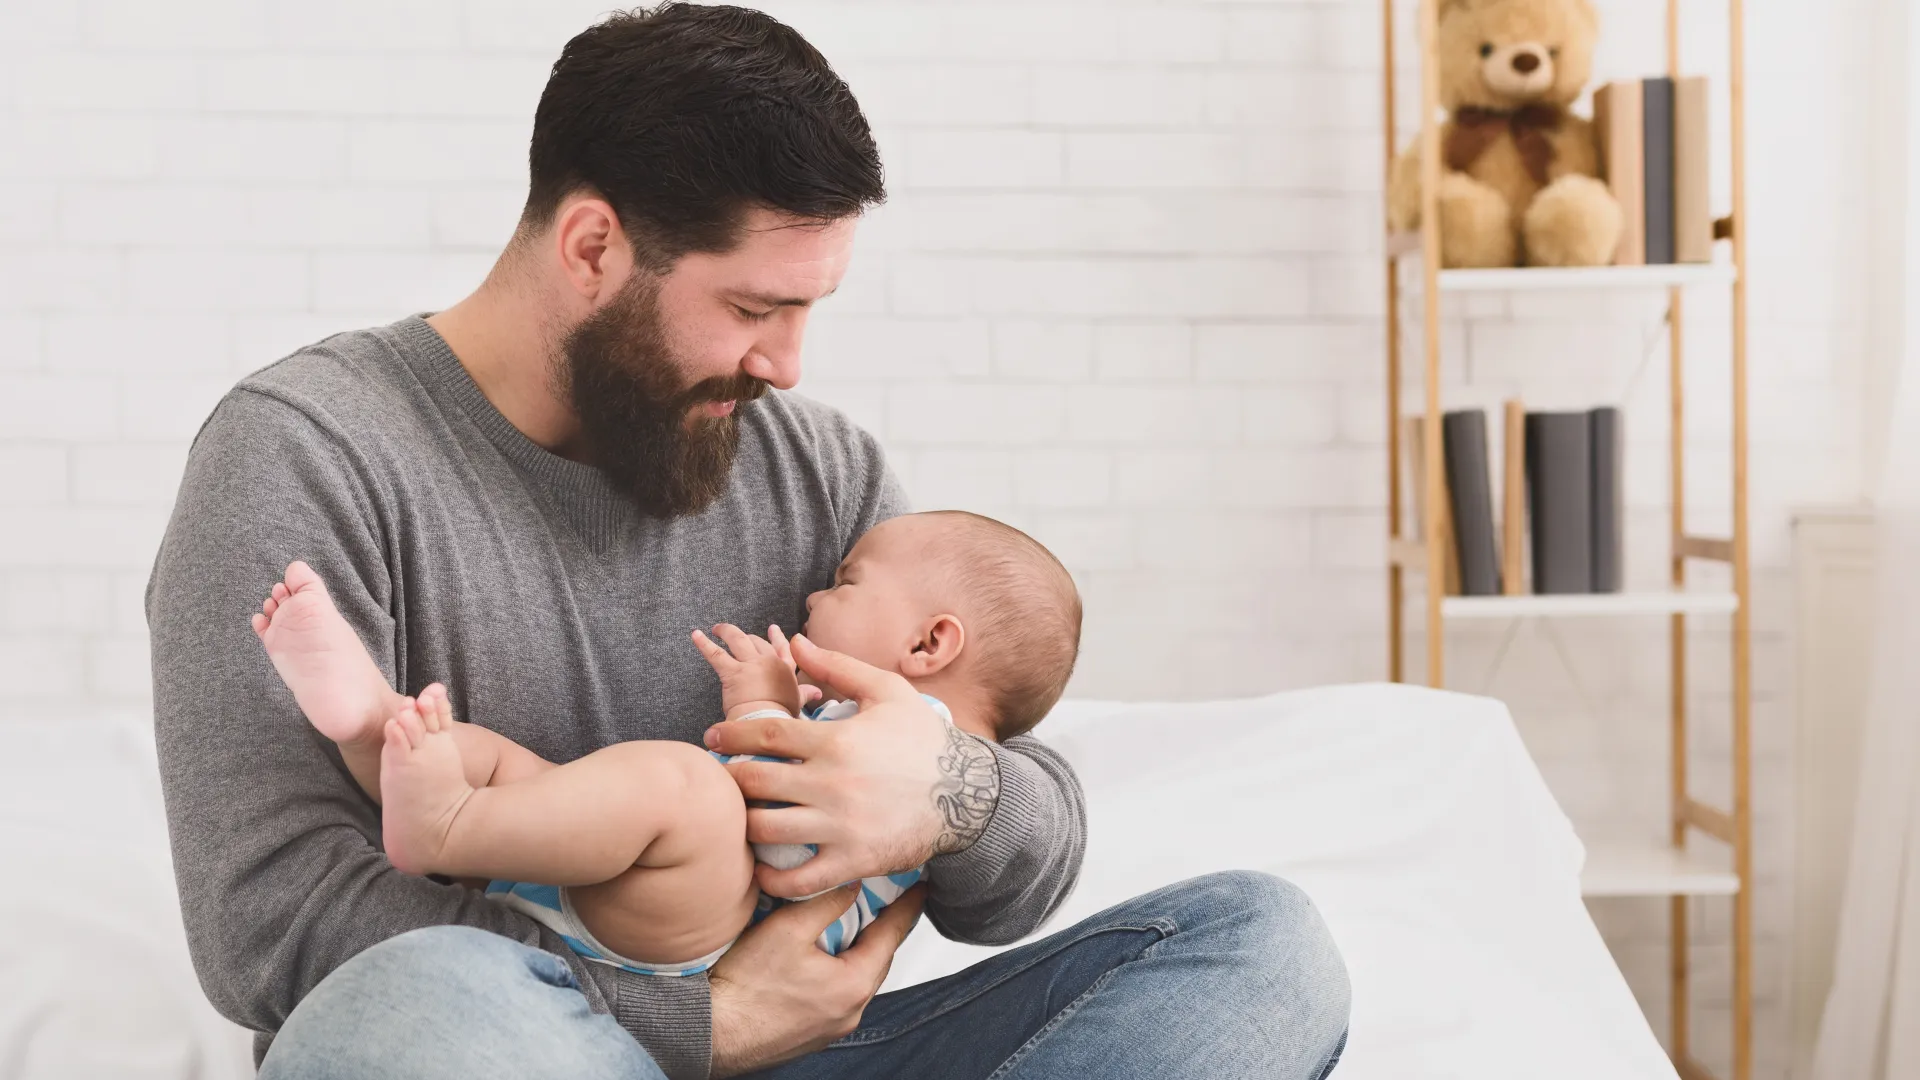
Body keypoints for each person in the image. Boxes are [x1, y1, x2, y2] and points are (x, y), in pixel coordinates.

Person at [146, 5, 1351, 1078]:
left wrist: (946, 790)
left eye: (806, 310)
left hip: (805, 1048)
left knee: (1258, 948)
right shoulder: (304, 451)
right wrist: (701, 1027)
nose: (785, 365)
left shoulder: (814, 466)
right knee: (427, 1007)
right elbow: (270, 922)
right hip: (511, 1041)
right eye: (752, 309)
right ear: (592, 248)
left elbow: (1014, 862)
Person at [247, 511, 1081, 974]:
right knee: (511, 767)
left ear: (929, 647)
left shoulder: (916, 750)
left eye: (845, 583)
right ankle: (369, 724)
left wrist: (764, 714)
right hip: (640, 908)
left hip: (726, 940)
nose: (816, 595)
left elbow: (791, 865)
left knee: (686, 786)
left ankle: (447, 829)